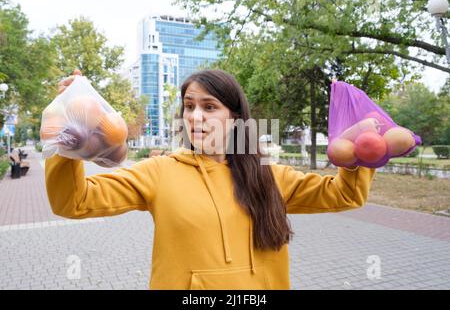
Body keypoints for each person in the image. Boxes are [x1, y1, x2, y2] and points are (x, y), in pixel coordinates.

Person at [45, 69, 376, 290]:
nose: (196, 117)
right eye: (189, 107)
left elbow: (345, 195)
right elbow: (74, 202)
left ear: (233, 117)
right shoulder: (159, 172)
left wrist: (360, 153)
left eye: (209, 106)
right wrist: (68, 129)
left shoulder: (268, 175)